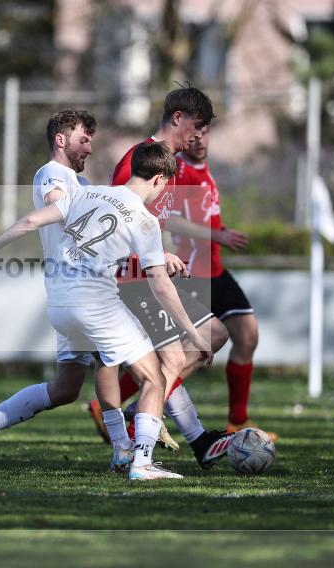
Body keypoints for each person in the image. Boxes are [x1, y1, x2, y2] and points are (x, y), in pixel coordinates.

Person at [0, 141, 206, 480]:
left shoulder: (86, 194)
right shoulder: (145, 220)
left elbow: (32, 220)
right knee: (154, 377)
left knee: (69, 385)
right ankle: (142, 463)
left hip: (60, 306)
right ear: (159, 179)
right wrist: (193, 334)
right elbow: (161, 286)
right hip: (95, 305)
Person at [87, 84, 235, 468]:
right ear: (178, 118)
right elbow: (112, 221)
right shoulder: (139, 160)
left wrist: (168, 250)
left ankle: (159, 419)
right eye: (197, 126)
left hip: (151, 277)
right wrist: (155, 256)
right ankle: (179, 435)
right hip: (134, 283)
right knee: (171, 361)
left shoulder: (171, 164)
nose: (200, 136)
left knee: (213, 334)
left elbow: (153, 221)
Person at [170, 128, 277, 440]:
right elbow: (171, 220)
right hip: (193, 271)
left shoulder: (205, 171)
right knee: (180, 351)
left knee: (247, 335)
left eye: (204, 132)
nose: (200, 139)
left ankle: (237, 423)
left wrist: (222, 231)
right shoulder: (180, 171)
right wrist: (219, 236)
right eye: (193, 133)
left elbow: (205, 219)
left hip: (214, 270)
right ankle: (122, 408)